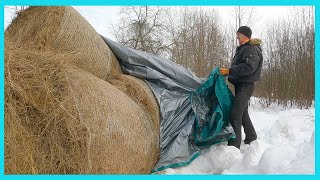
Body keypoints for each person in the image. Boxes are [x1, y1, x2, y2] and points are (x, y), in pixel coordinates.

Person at [219, 26, 263, 149]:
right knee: (243, 114)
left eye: (239, 34)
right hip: (241, 85)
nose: (237, 36)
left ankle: (234, 145)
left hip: (246, 85)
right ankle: (251, 136)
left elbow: (249, 67)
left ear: (245, 35)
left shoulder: (250, 48)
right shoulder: (243, 48)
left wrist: (230, 70)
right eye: (237, 34)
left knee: (235, 114)